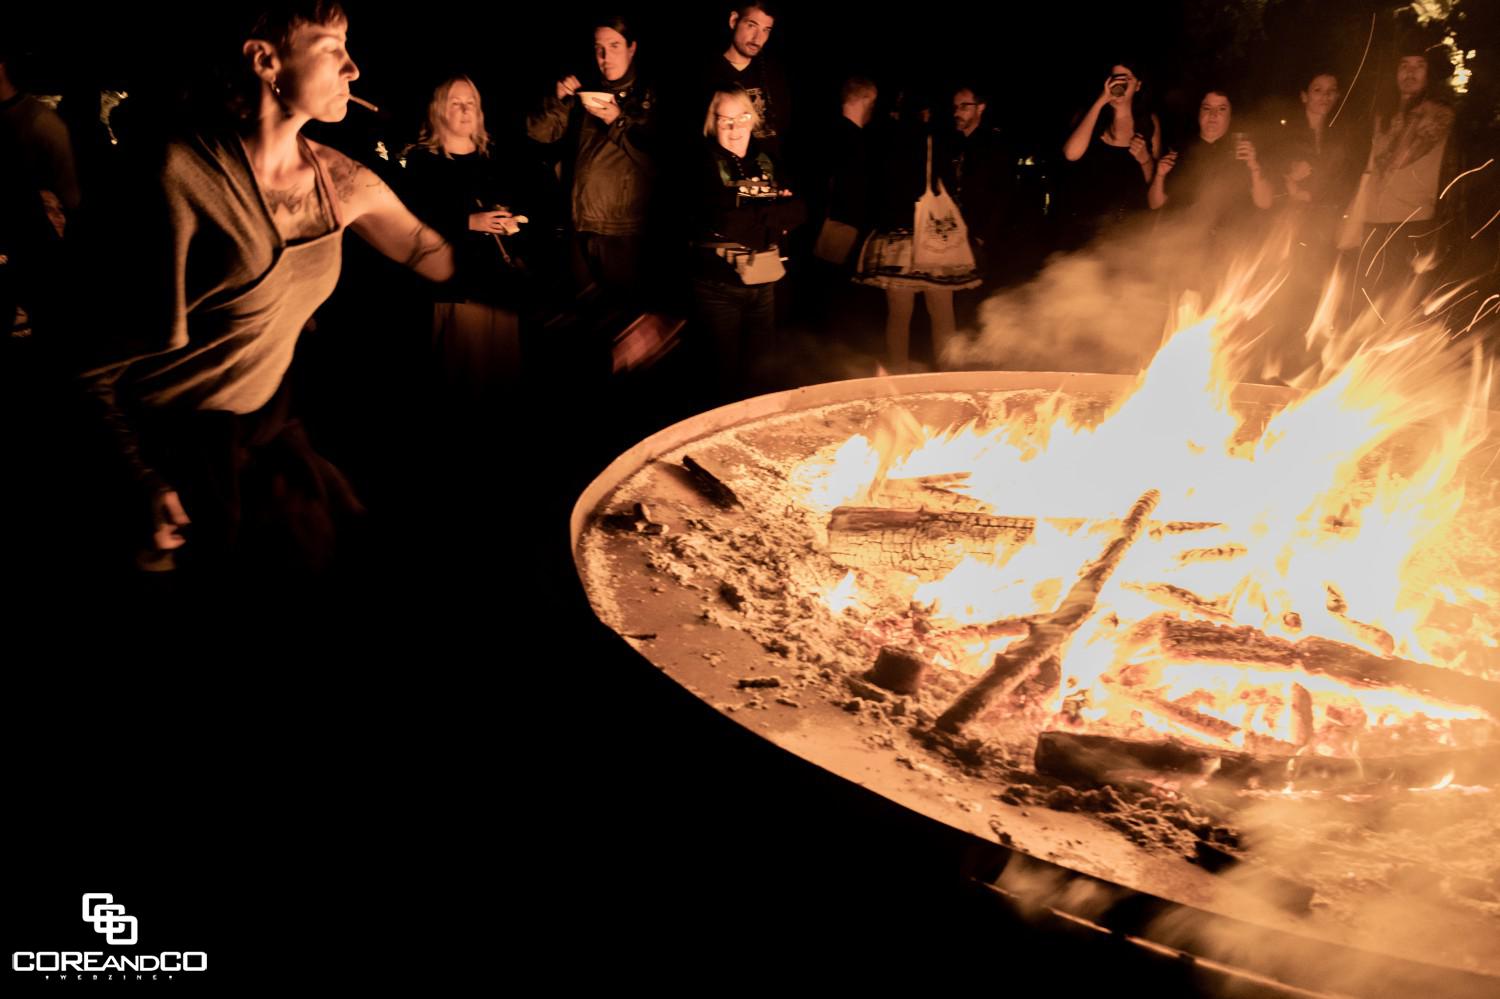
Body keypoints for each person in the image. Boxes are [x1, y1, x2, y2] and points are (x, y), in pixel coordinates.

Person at [72, 1, 455, 579]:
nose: (353, 70)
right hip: (171, 459)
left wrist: (592, 310)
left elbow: (436, 257)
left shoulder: (342, 181)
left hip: (267, 440)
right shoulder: (180, 173)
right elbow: (85, 362)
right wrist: (138, 480)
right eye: (333, 50)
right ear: (264, 59)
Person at [402, 74, 556, 408]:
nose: (464, 109)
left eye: (470, 102)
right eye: (455, 102)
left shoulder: (494, 156)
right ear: (439, 110)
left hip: (500, 287)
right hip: (457, 288)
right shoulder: (423, 161)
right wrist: (467, 222)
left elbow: (518, 206)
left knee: (502, 378)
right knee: (463, 379)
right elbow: (412, 222)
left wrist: (515, 222)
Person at [526, 15, 657, 305]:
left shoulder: (647, 97)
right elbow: (539, 133)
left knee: (626, 321)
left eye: (614, 46)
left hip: (624, 231)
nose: (605, 57)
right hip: (581, 224)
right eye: (599, 48)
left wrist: (618, 121)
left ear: (632, 48)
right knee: (587, 321)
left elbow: (656, 159)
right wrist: (558, 100)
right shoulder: (587, 91)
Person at [854, 91, 981, 373]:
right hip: (933, 236)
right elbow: (948, 186)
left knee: (898, 316)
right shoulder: (941, 140)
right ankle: (946, 378)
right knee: (942, 314)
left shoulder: (886, 139)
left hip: (895, 240)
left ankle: (897, 379)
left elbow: (876, 189)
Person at [691, 86, 803, 397]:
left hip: (763, 284)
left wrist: (752, 211)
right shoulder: (701, 160)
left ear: (752, 120)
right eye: (725, 120)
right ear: (713, 123)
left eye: (741, 118)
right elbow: (721, 217)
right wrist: (771, 215)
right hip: (718, 287)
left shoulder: (766, 158)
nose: (734, 128)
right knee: (720, 378)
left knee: (761, 374)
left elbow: (799, 209)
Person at [1353, 45, 1456, 297]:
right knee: (1368, 301)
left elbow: (1399, 157)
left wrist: (1405, 118)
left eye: (1419, 65)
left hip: (1410, 224)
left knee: (1400, 302)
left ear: (1429, 72)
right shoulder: (1384, 114)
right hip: (1374, 221)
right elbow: (1371, 165)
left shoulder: (1438, 113)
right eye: (1404, 65)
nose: (1410, 72)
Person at [1059, 62, 1160, 248]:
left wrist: (1145, 159)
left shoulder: (1148, 123)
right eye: (1115, 79)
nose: (1119, 85)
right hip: (1088, 226)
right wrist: (1100, 101)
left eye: (1126, 79)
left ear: (1138, 85)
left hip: (1130, 228)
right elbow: (1071, 154)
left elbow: (1154, 184)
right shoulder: (1091, 116)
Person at [698, 4, 790, 167]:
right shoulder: (705, 73)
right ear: (734, 20)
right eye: (751, 25)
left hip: (771, 179)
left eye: (766, 30)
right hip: (723, 177)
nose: (758, 38)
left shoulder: (774, 74)